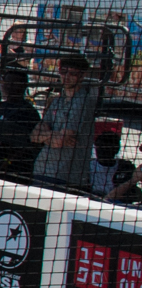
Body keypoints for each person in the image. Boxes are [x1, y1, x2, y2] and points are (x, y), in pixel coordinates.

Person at [32, 54, 98, 192]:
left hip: (65, 176)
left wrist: (47, 136)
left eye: (72, 73)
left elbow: (61, 140)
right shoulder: (56, 100)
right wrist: (52, 135)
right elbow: (34, 136)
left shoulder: (83, 102)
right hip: (41, 170)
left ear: (82, 75)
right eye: (63, 72)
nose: (66, 77)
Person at [0, 67, 43, 183]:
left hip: (15, 170)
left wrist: (9, 160)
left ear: (23, 86)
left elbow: (32, 144)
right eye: (7, 82)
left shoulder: (28, 112)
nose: (9, 86)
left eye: (14, 83)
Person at [90, 134, 137, 204]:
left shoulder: (125, 167)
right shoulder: (87, 166)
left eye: (107, 148)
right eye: (100, 147)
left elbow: (133, 193)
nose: (102, 151)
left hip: (116, 204)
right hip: (92, 201)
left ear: (116, 150)